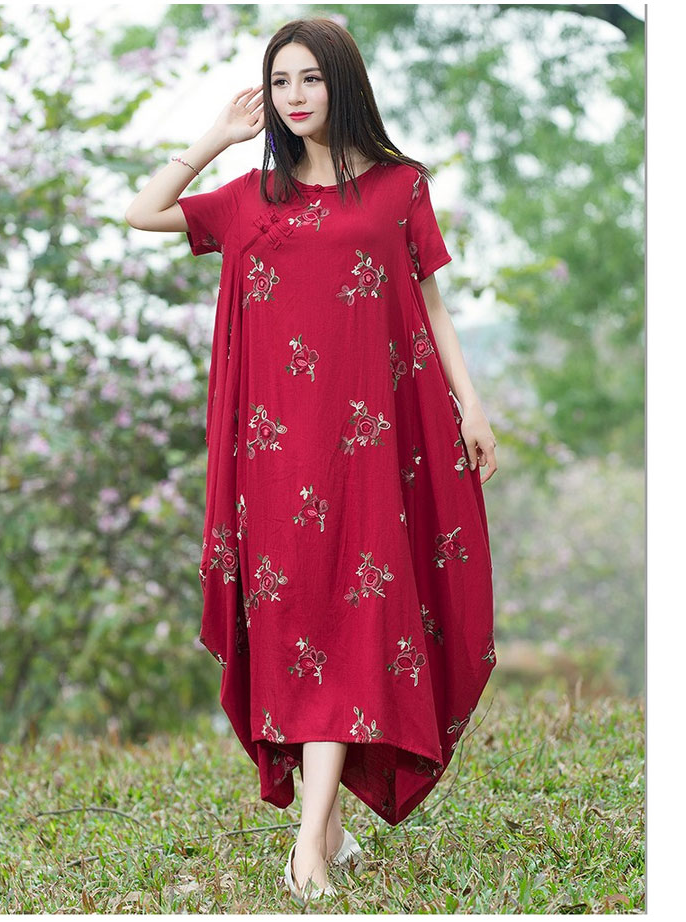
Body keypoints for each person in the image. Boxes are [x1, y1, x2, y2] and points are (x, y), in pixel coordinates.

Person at [125, 16, 499, 906]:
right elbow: (140, 211)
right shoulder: (254, 198)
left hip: (369, 451)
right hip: (275, 455)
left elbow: (430, 304)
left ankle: (309, 850)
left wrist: (471, 403)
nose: (294, 96)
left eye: (311, 79)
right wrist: (217, 137)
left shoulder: (401, 187)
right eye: (280, 81)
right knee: (296, 625)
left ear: (343, 83)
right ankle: (323, 828)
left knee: (352, 621)